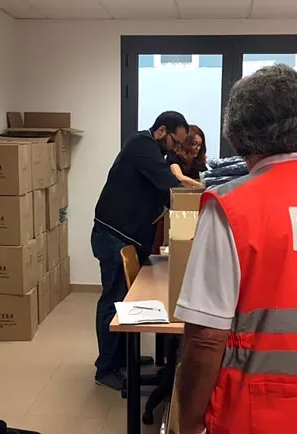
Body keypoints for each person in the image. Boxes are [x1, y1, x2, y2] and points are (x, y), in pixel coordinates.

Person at [175, 65, 297, 434]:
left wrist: (186, 424)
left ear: (238, 132)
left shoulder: (230, 208)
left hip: (258, 412)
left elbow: (204, 339)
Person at [92, 111, 188, 390]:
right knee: (113, 301)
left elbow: (163, 194)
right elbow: (168, 188)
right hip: (112, 235)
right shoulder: (141, 145)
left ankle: (121, 358)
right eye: (175, 142)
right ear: (161, 132)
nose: (175, 148)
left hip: (126, 236)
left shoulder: (153, 153)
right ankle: (106, 368)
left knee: (122, 300)